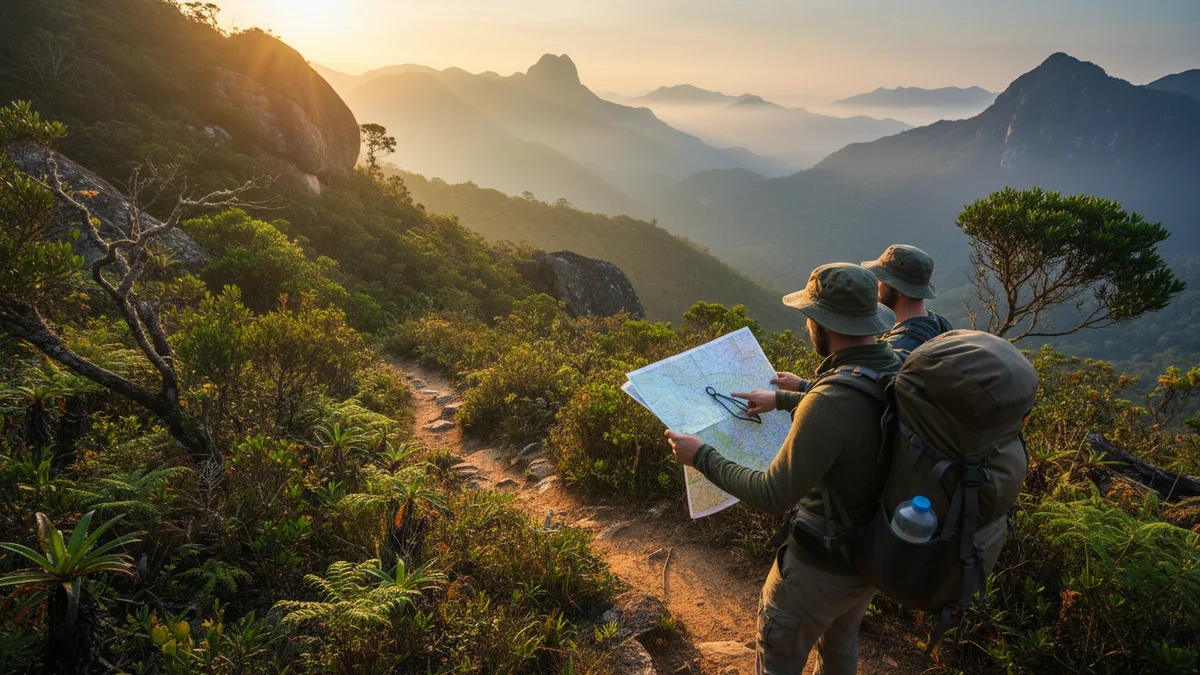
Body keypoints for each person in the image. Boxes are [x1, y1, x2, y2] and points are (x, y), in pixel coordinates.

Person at [664, 263, 902, 675]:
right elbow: (859, 409)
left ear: (821, 324)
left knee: (779, 660)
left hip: (817, 570)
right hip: (869, 557)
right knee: (841, 645)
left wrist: (701, 455)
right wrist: (791, 397)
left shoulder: (829, 403)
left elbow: (774, 495)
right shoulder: (896, 368)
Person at [862, 244, 952, 357]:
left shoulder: (896, 349)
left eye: (881, 280)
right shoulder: (941, 325)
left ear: (899, 289)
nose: (877, 285)